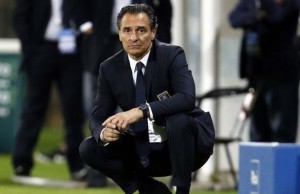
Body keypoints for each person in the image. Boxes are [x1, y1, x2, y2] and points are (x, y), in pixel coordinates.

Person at [79, 4, 215, 194]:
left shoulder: (172, 54)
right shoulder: (109, 68)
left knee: (179, 121)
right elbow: (96, 116)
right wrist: (103, 132)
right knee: (88, 147)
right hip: (142, 151)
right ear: (119, 34)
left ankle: (182, 190)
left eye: (141, 30)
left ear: (153, 32)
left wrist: (141, 111)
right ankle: (150, 188)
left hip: (185, 148)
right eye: (127, 30)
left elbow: (187, 98)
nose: (134, 37)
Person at [69, 0, 173, 187]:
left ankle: (150, 168)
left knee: (144, 109)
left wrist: (161, 42)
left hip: (143, 51)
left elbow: (164, 10)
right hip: (100, 43)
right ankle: (98, 173)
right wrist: (84, 24)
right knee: (98, 110)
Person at [11, 0, 86, 181]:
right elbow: (19, 16)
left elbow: (87, 14)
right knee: (33, 109)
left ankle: (77, 167)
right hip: (41, 50)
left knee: (73, 111)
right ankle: (22, 163)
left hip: (71, 53)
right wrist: (30, 50)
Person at [228, 0, 300, 142]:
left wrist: (259, 14)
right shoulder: (253, 2)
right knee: (258, 130)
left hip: (282, 75)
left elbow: (278, 16)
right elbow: (235, 18)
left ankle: (282, 164)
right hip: (257, 74)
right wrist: (258, 15)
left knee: (282, 130)